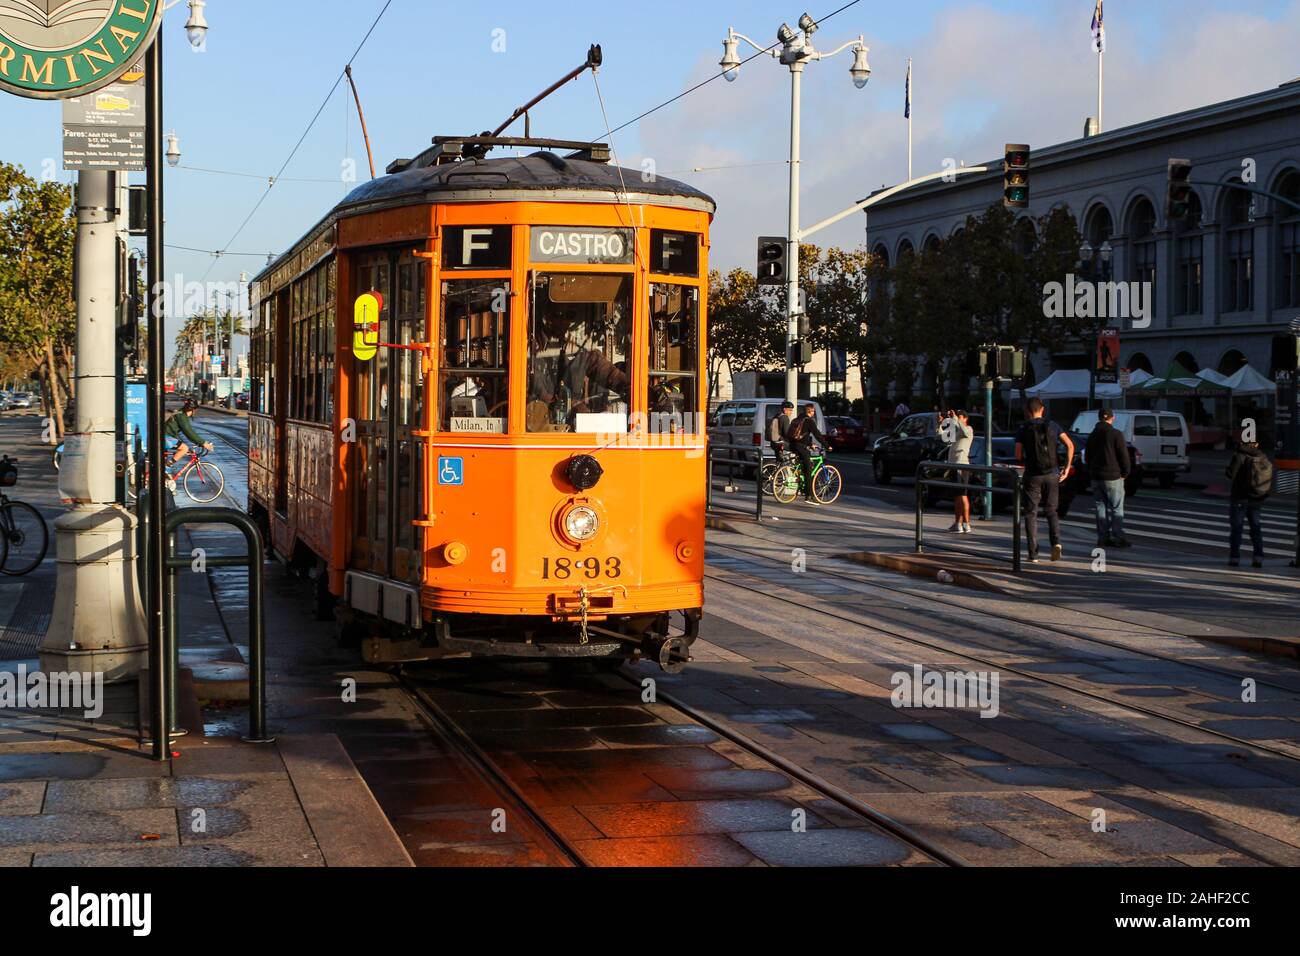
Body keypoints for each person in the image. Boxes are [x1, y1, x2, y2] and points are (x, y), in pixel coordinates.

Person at [1015, 396, 1074, 563]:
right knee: (1051, 511)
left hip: (1032, 475)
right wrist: (1067, 468)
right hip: (1052, 474)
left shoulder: (1023, 428)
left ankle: (1033, 554)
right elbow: (1070, 445)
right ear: (1042, 409)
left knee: (1030, 513)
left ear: (1027, 411)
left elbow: (1017, 454)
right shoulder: (1053, 425)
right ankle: (1056, 542)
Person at [1085, 408, 1132, 548]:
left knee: (1100, 507)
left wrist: (1091, 470)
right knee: (1116, 508)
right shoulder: (1116, 434)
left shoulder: (1092, 435)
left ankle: (1102, 537)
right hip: (1113, 476)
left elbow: (1087, 456)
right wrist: (1125, 473)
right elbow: (1124, 456)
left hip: (1096, 476)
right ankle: (1117, 536)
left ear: (1099, 418)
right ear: (1112, 418)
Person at [1225, 430, 1272, 568]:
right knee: (1256, 528)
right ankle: (1258, 557)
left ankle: (1234, 558)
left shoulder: (1239, 455)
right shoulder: (1262, 456)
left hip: (1240, 498)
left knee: (1237, 529)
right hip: (1256, 497)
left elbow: (1230, 474)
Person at [940, 409, 974, 534]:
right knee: (958, 495)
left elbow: (965, 431)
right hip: (954, 464)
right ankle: (960, 523)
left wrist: (956, 419)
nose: (956, 418)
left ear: (965, 418)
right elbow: (944, 438)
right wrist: (942, 423)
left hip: (961, 463)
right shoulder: (955, 430)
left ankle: (964, 523)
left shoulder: (968, 429)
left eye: (959, 416)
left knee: (962, 495)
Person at [786, 404, 828, 504]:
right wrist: (827, 445)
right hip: (801, 448)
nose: (813, 413)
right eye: (813, 411)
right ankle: (808, 496)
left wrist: (810, 444)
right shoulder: (809, 421)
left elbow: (801, 435)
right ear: (811, 411)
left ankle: (801, 484)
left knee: (803, 466)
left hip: (793, 446)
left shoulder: (796, 419)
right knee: (808, 470)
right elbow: (817, 435)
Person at [164, 399, 214, 478]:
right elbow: (188, 432)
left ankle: (165, 473)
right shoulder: (182, 417)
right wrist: (203, 443)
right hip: (165, 438)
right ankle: (167, 466)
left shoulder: (181, 414)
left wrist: (199, 442)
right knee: (184, 448)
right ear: (193, 410)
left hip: (165, 437)